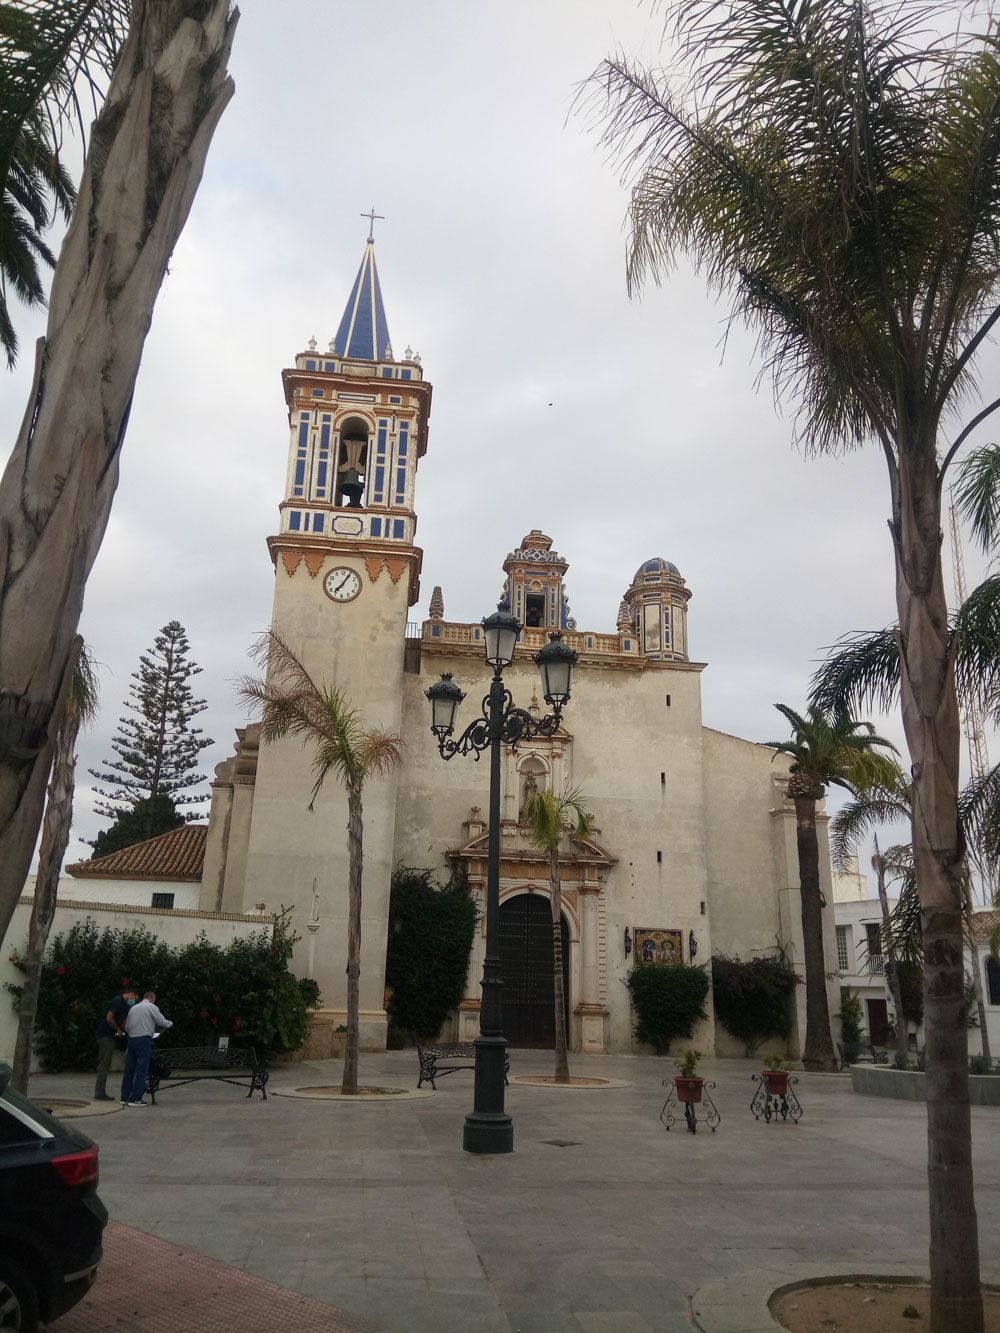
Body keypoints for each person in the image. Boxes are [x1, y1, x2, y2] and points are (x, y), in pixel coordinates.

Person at [120, 990, 172, 1106]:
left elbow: (127, 1027)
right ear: (152, 999)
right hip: (143, 1041)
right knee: (141, 1070)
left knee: (129, 1070)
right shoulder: (151, 1007)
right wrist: (170, 1024)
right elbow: (161, 1021)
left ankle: (124, 1097)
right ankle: (135, 1099)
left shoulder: (133, 1008)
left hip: (131, 1040)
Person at [94, 986, 137, 1101]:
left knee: (105, 1063)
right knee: (105, 1063)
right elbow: (109, 1018)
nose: (133, 1001)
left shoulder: (122, 1004)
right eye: (134, 998)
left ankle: (100, 1091)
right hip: (106, 1036)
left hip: (109, 1037)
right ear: (131, 994)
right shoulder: (118, 1001)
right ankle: (99, 1092)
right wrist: (118, 1029)